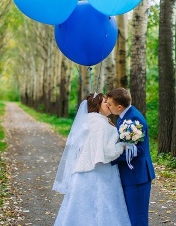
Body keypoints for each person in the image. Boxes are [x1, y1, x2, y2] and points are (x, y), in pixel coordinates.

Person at [52, 93, 131, 226]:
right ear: (97, 105)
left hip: (86, 171)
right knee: (100, 206)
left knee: (81, 208)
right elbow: (102, 153)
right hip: (98, 173)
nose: (108, 104)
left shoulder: (91, 120)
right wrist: (122, 146)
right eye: (105, 102)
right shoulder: (99, 123)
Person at [106, 88, 155, 226]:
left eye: (110, 104)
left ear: (119, 106)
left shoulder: (133, 119)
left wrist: (110, 158)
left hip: (137, 176)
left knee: (137, 218)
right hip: (130, 175)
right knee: (129, 217)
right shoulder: (124, 117)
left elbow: (137, 149)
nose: (108, 106)